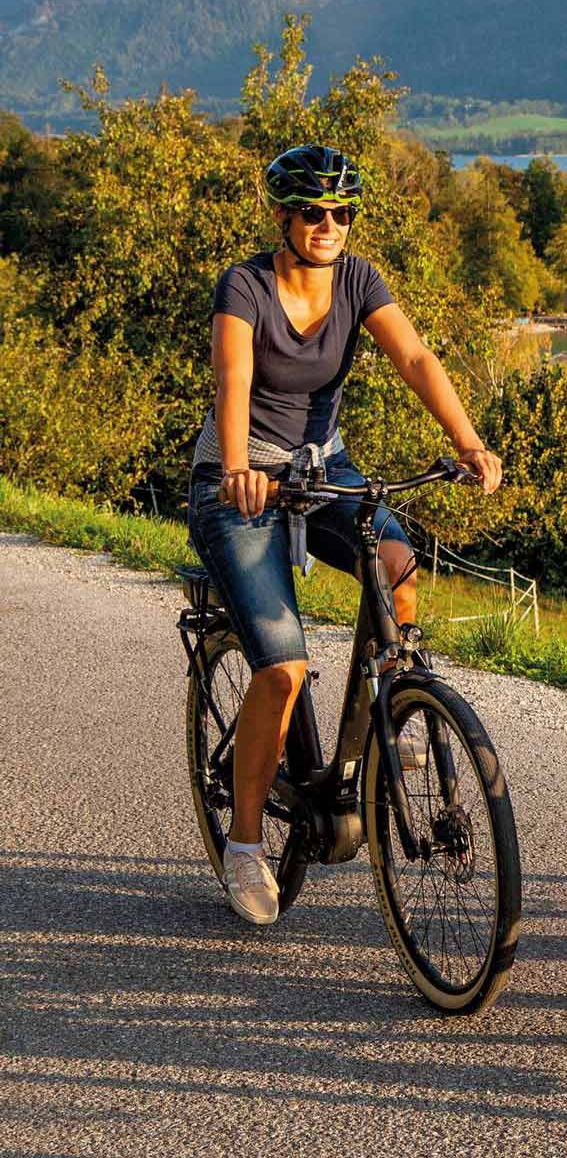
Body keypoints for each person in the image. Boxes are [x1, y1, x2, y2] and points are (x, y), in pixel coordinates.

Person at [187, 144, 504, 927]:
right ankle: (247, 843)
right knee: (284, 667)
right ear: (283, 218)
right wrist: (236, 467)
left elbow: (417, 356)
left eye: (341, 212)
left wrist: (468, 442)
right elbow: (233, 381)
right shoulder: (246, 285)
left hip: (323, 468)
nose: (329, 225)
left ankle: (393, 711)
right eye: (313, 212)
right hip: (243, 486)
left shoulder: (359, 278)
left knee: (397, 562)